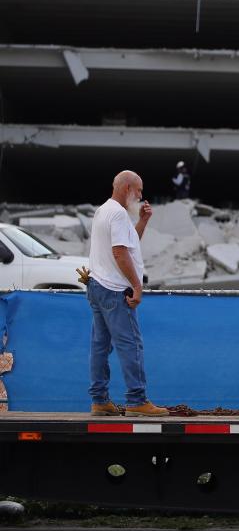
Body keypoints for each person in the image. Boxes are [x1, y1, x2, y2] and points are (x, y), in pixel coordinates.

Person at [86, 171, 168, 417]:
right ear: (128, 188)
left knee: (100, 346)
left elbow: (129, 243)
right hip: (114, 290)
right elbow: (121, 253)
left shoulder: (103, 210)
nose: (141, 196)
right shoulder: (119, 214)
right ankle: (136, 400)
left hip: (97, 286)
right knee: (130, 344)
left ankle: (99, 400)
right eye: (139, 191)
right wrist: (137, 285)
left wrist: (142, 222)